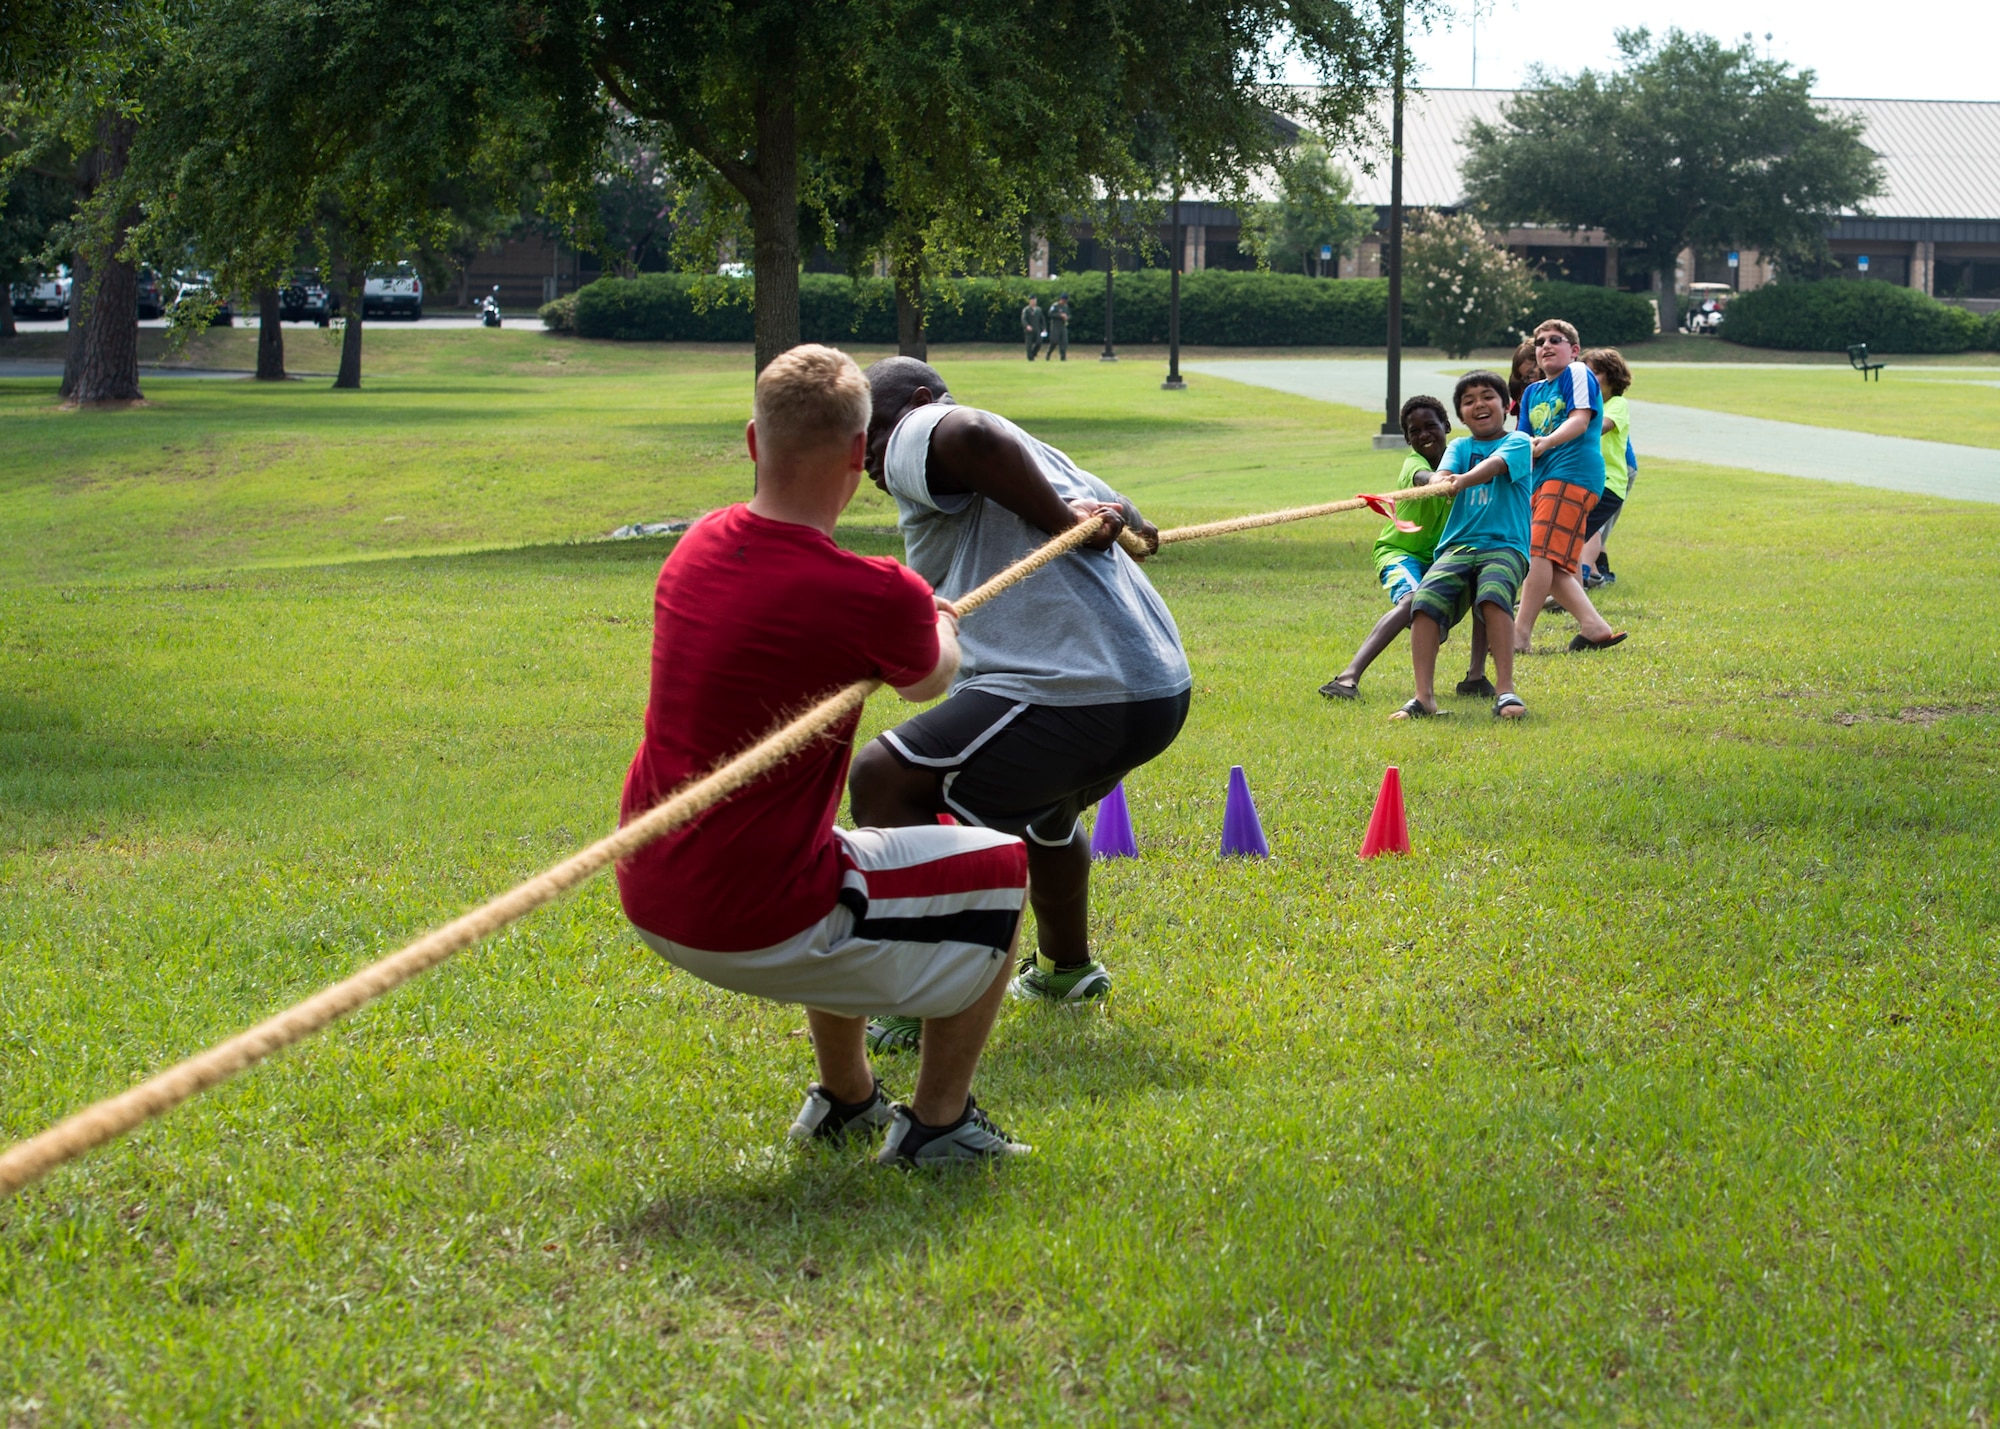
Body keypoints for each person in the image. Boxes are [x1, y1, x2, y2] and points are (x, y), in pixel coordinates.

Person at [616, 344, 1032, 1167]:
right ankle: (939, 1126)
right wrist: (936, 617)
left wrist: (912, 620)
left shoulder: (696, 546)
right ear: (857, 454)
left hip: (652, 882)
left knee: (852, 858)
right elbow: (932, 679)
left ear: (751, 441)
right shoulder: (876, 592)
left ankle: (848, 1101)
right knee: (1000, 870)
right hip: (751, 914)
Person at [851, 356, 1192, 1049]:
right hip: (1155, 690)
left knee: (882, 778)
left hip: (1069, 690)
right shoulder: (1046, 455)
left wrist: (1064, 517)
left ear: (916, 403)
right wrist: (1120, 524)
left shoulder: (928, 427)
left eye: (871, 437)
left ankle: (920, 992)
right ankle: (1066, 970)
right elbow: (1130, 520)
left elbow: (969, 432)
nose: (866, 462)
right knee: (1045, 810)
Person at [1378, 370, 1534, 720]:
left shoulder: (1519, 441)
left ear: (1506, 405)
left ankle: (1505, 690)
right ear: (1461, 416)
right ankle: (1424, 698)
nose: (1478, 404)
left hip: (1504, 545)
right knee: (1423, 603)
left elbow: (1495, 466)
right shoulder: (1460, 447)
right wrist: (1439, 480)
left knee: (1493, 595)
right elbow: (1442, 474)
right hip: (1458, 547)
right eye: (1468, 401)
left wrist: (1461, 481)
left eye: (1487, 396)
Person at [1318, 395, 1490, 701]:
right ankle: (1347, 678)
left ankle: (1475, 677)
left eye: (1430, 426)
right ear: (1407, 438)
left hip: (1445, 557)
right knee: (1412, 602)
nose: (1424, 434)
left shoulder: (1466, 458)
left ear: (1447, 426)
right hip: (1401, 553)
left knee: (1487, 589)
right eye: (1414, 431)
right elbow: (1424, 479)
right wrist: (1443, 480)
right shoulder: (1414, 463)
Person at [1510, 319, 1627, 654]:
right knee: (1554, 561)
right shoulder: (1532, 392)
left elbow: (1580, 420)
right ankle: (1594, 627)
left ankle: (1520, 635)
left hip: (1572, 474)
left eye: (1555, 340)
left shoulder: (1576, 374)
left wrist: (1546, 443)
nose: (1546, 346)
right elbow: (1520, 440)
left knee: (1538, 553)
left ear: (1574, 350)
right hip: (1543, 480)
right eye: (1540, 342)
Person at [1578, 347, 1634, 587]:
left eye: (1597, 373)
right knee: (1576, 533)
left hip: (1609, 484)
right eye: (1586, 373)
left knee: (1576, 533)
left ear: (1613, 377)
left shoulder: (1616, 404)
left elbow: (1602, 426)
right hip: (1588, 480)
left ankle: (1577, 582)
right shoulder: (1585, 407)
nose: (1591, 379)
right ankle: (1584, 579)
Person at [1044, 293, 1072, 361]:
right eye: (1064, 300)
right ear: (1061, 299)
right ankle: (1048, 353)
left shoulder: (1066, 307)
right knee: (1054, 341)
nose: (1064, 302)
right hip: (1055, 326)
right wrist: (1060, 315)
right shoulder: (1055, 306)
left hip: (1063, 326)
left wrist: (1067, 317)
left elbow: (1069, 315)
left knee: (1064, 342)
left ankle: (1063, 357)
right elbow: (1050, 314)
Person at [1020, 296, 1046, 361]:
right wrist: (1027, 326)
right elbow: (1023, 319)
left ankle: (1033, 353)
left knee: (1039, 342)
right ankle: (1030, 358)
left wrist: (1044, 328)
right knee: (1029, 345)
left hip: (1037, 329)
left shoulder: (1038, 310)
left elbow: (1042, 320)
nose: (1034, 302)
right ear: (1029, 301)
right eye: (1032, 301)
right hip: (1029, 329)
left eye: (1035, 301)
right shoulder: (1026, 310)